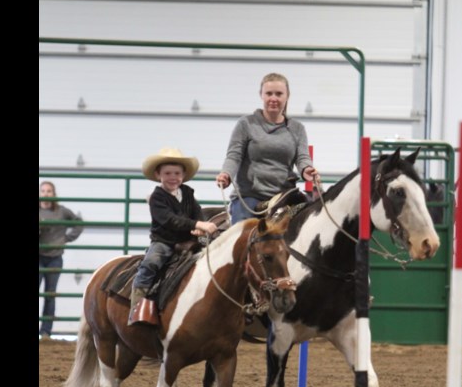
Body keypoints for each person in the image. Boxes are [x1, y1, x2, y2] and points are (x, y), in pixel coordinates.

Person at [215, 72, 321, 222]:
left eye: (279, 94)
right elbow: (234, 156)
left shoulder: (297, 128)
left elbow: (302, 157)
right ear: (261, 95)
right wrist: (226, 174)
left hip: (285, 196)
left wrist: (306, 169)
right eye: (269, 93)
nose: (273, 98)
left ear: (287, 96)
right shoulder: (246, 124)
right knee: (242, 235)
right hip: (249, 197)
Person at [130, 148, 218, 324]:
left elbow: (196, 211)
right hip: (165, 241)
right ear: (158, 175)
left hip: (189, 240)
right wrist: (197, 224)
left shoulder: (187, 193)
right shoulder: (157, 197)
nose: (173, 177)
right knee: (151, 264)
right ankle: (137, 308)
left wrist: (199, 225)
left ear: (183, 175)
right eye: (167, 173)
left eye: (177, 173)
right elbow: (170, 220)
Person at [39, 180, 83, 339]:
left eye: (48, 191)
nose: (45, 194)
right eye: (43, 191)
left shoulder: (62, 212)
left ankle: (45, 331)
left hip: (55, 258)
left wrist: (66, 238)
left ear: (53, 194)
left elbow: (78, 223)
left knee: (50, 294)